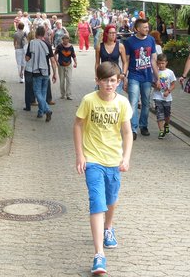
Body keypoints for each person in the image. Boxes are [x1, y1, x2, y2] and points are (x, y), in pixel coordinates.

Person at [74, 62, 133, 276]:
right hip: (93, 161)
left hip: (114, 161)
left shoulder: (123, 103)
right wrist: (81, 155)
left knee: (111, 201)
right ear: (97, 81)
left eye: (113, 80)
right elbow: (78, 125)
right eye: (105, 80)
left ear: (118, 81)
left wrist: (125, 158)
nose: (109, 84)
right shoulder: (89, 100)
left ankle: (109, 228)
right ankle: (99, 254)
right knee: (97, 203)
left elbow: (127, 133)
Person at [123, 18, 159, 138]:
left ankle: (143, 125)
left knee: (146, 103)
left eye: (147, 27)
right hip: (134, 75)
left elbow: (153, 59)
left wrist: (157, 77)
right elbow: (127, 60)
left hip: (147, 77)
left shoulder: (151, 40)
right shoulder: (129, 42)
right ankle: (133, 129)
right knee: (133, 102)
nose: (147, 29)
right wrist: (125, 77)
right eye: (144, 27)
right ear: (137, 29)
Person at [25, 25, 57, 121]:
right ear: (43, 34)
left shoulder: (32, 43)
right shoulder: (47, 44)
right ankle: (40, 112)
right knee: (43, 93)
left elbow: (27, 58)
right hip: (46, 72)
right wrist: (55, 73)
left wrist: (28, 58)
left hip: (36, 72)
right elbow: (52, 60)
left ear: (36, 33)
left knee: (37, 92)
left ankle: (47, 110)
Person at [95, 25, 128, 90]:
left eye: (115, 33)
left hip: (116, 75)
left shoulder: (120, 46)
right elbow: (97, 63)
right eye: (111, 33)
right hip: (103, 74)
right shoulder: (99, 46)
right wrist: (97, 75)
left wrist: (123, 74)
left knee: (116, 96)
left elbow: (125, 62)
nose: (113, 35)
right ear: (106, 34)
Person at [152, 54, 176, 139]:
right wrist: (155, 86)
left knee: (167, 114)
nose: (161, 65)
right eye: (159, 63)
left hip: (167, 97)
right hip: (157, 96)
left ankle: (166, 124)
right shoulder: (155, 72)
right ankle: (161, 130)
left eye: (163, 63)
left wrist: (168, 91)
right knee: (159, 114)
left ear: (166, 63)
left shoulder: (170, 72)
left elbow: (173, 84)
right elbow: (152, 83)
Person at [55, 35, 77, 100]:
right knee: (62, 81)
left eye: (67, 39)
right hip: (61, 65)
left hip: (69, 65)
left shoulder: (71, 47)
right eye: (65, 39)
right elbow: (54, 54)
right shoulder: (59, 46)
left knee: (69, 80)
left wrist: (75, 62)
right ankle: (62, 94)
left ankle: (68, 94)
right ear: (62, 40)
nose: (66, 41)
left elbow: (73, 55)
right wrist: (56, 61)